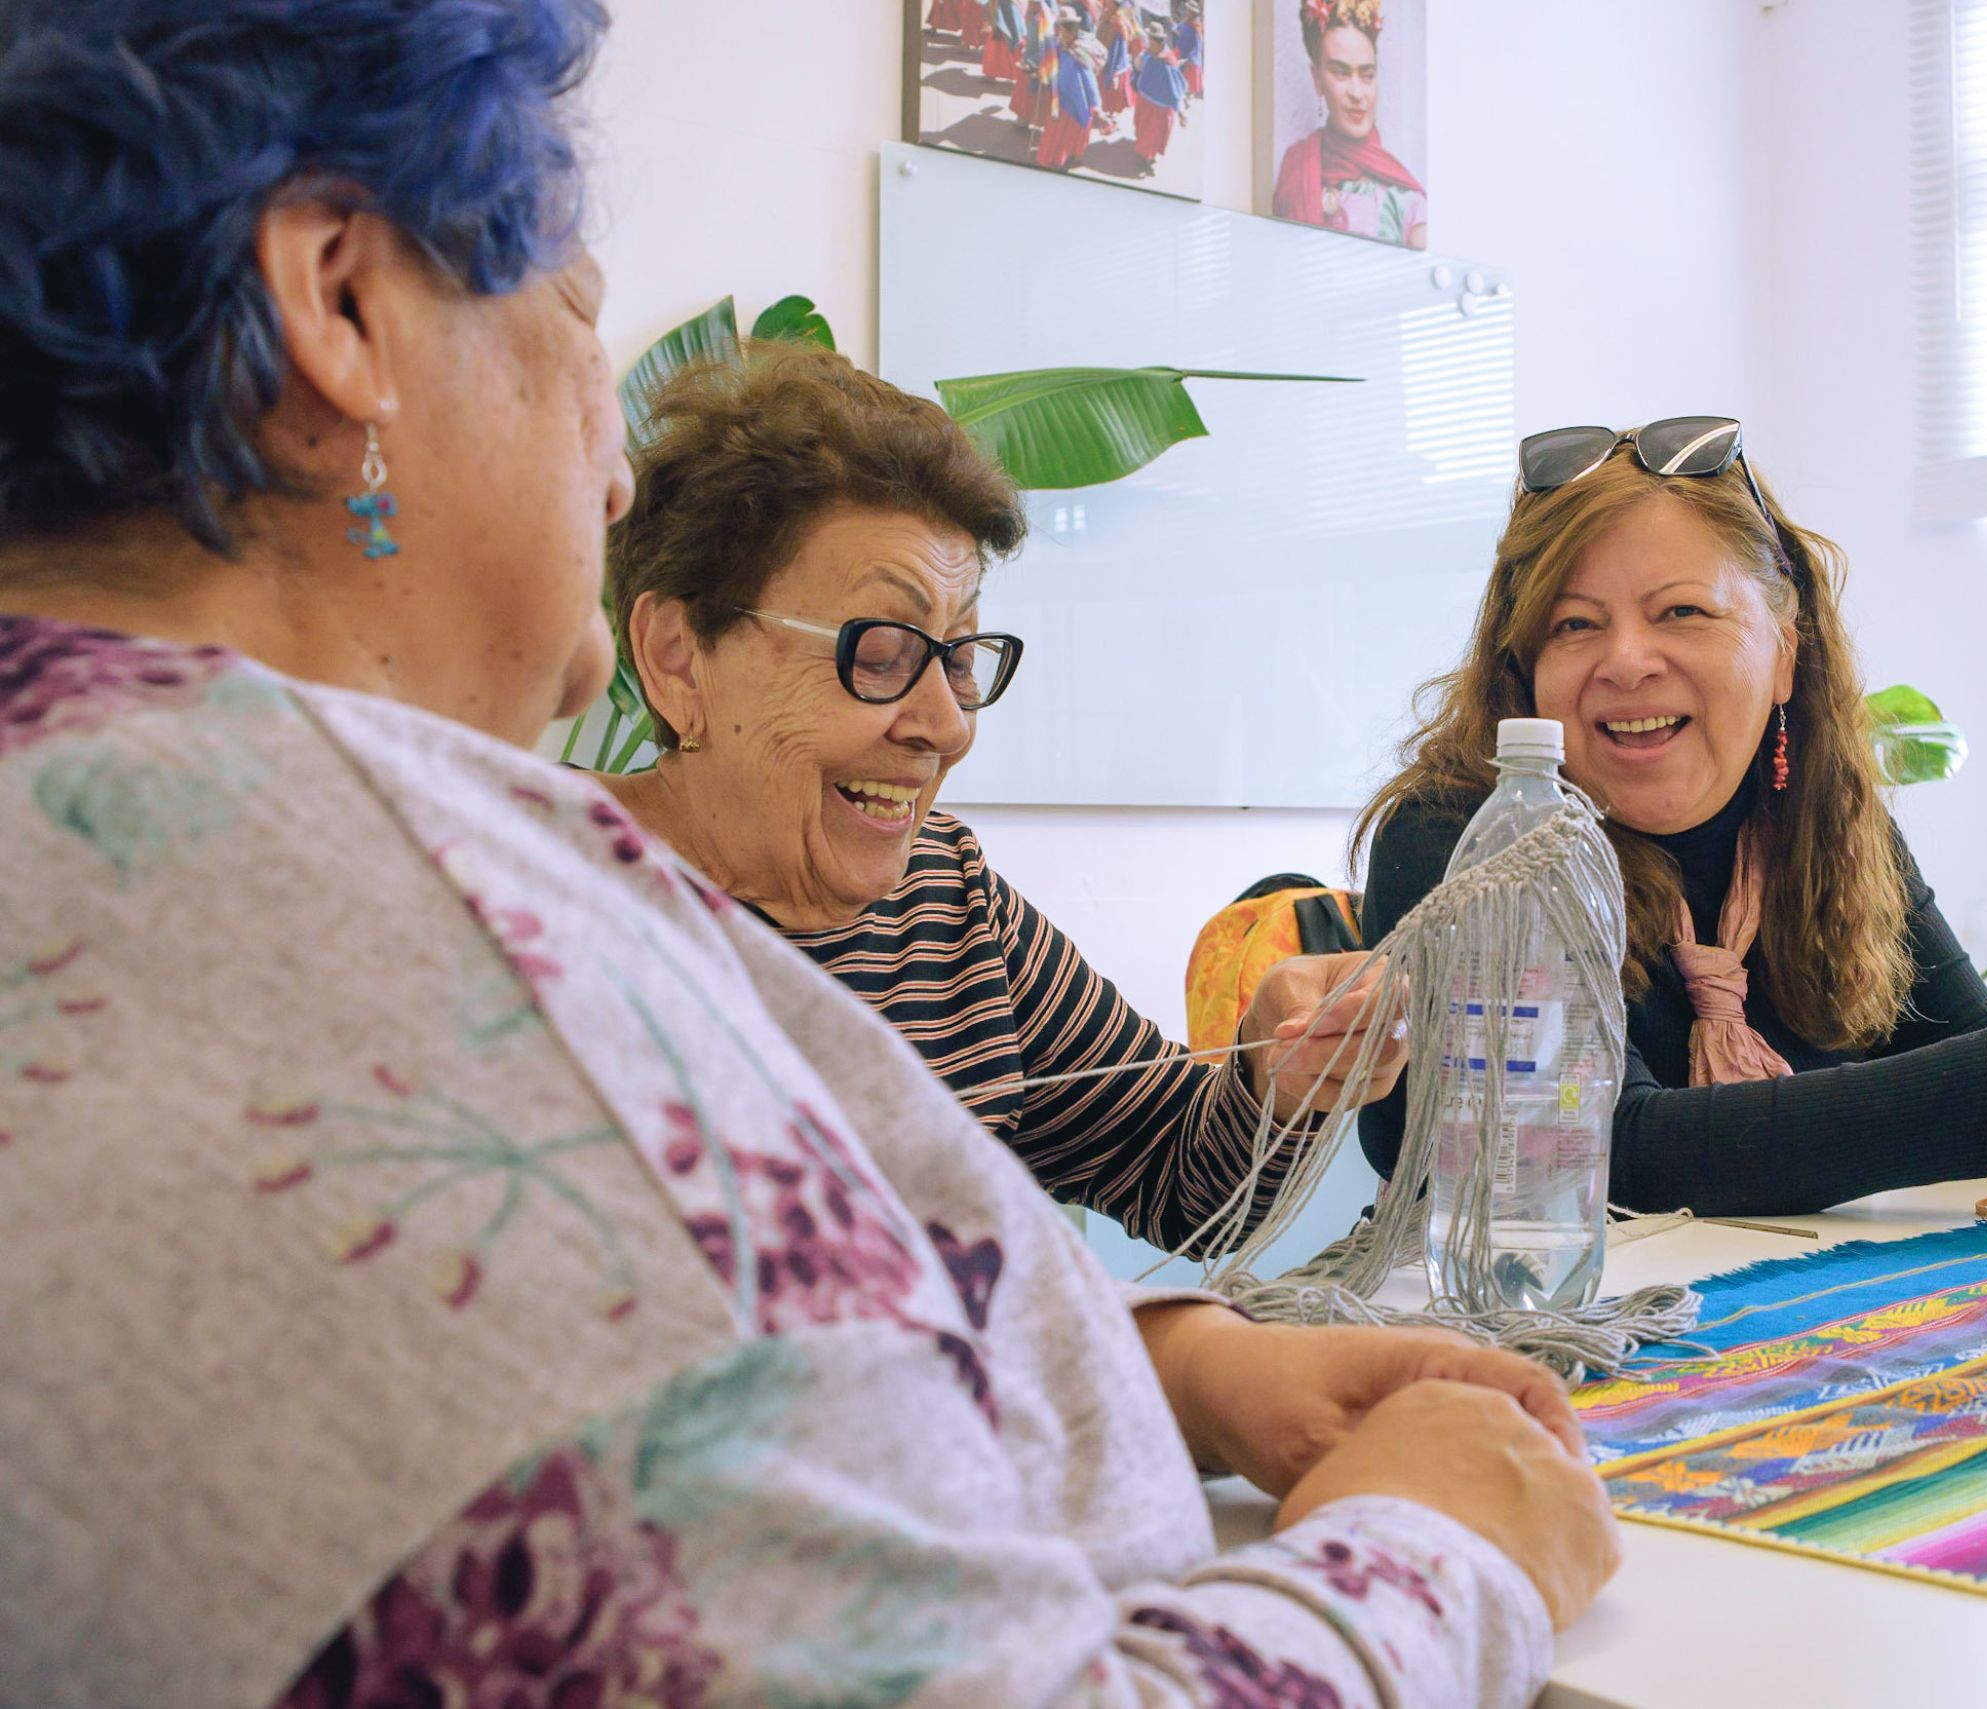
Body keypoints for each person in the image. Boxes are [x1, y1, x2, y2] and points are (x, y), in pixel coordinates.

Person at [0, 4, 1618, 1703]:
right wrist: (1439, 1549)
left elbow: (1114, 1174)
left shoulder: (144, 840)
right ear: (339, 304)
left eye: (963, 655)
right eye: (568, 313)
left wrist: (1191, 1323)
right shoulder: (484, 977)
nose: (612, 464)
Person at [600, 343, 1402, 1255]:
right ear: (676, 656)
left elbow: (1180, 1171)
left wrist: (1273, 1080)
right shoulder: (530, 895)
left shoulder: (945, 903)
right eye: (880, 651)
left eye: (960, 655)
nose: (945, 724)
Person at [1356, 423, 1987, 1216]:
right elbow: (1605, 1152)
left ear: (1784, 652)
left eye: (1682, 611)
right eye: (1573, 625)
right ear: (1525, 671)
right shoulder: (1469, 837)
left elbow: (1974, 1072)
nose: (1627, 659)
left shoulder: (1826, 828)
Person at [1270, 0, 1428, 249]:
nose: (1357, 93)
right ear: (1317, 78)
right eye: (1340, 73)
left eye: (1367, 75)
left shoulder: (1407, 203)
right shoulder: (1295, 169)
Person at [1036, 8, 1101, 169]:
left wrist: (1096, 105)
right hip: (1061, 97)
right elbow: (1051, 63)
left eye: (1061, 28)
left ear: (1070, 30)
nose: (1059, 31)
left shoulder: (1080, 52)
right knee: (1061, 131)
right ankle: (1061, 157)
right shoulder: (1059, 43)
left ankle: (1060, 159)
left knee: (1066, 132)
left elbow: (1090, 80)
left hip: (1076, 100)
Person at [1131, 18, 1188, 171]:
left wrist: (1182, 113)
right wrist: (1137, 56)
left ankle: (1148, 157)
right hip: (1145, 100)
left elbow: (1176, 90)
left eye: (1150, 41)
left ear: (1158, 42)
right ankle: (1146, 154)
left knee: (1153, 134)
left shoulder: (1168, 63)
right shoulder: (1148, 55)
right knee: (1143, 128)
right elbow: (1138, 66)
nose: (1148, 44)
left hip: (1161, 107)